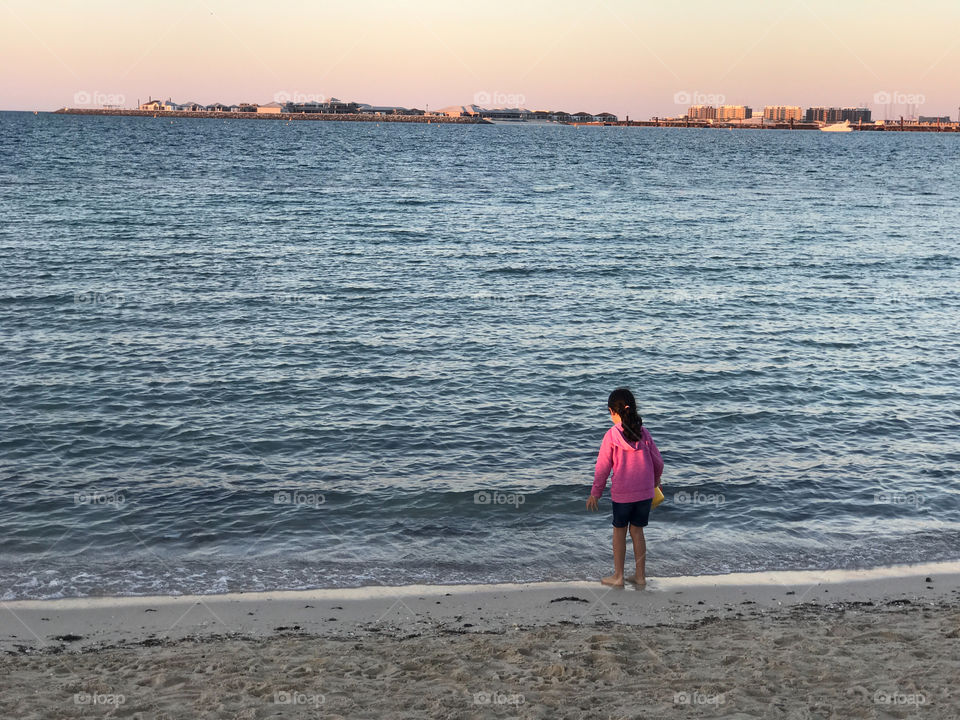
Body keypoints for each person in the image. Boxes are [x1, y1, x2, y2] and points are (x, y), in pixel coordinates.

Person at [586, 387, 664, 587]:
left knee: (619, 531)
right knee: (637, 532)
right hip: (646, 493)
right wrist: (655, 482)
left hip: (623, 495)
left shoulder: (611, 436)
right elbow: (659, 463)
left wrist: (595, 493)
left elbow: (602, 469)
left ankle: (618, 576)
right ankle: (640, 576)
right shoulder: (644, 433)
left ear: (613, 411)